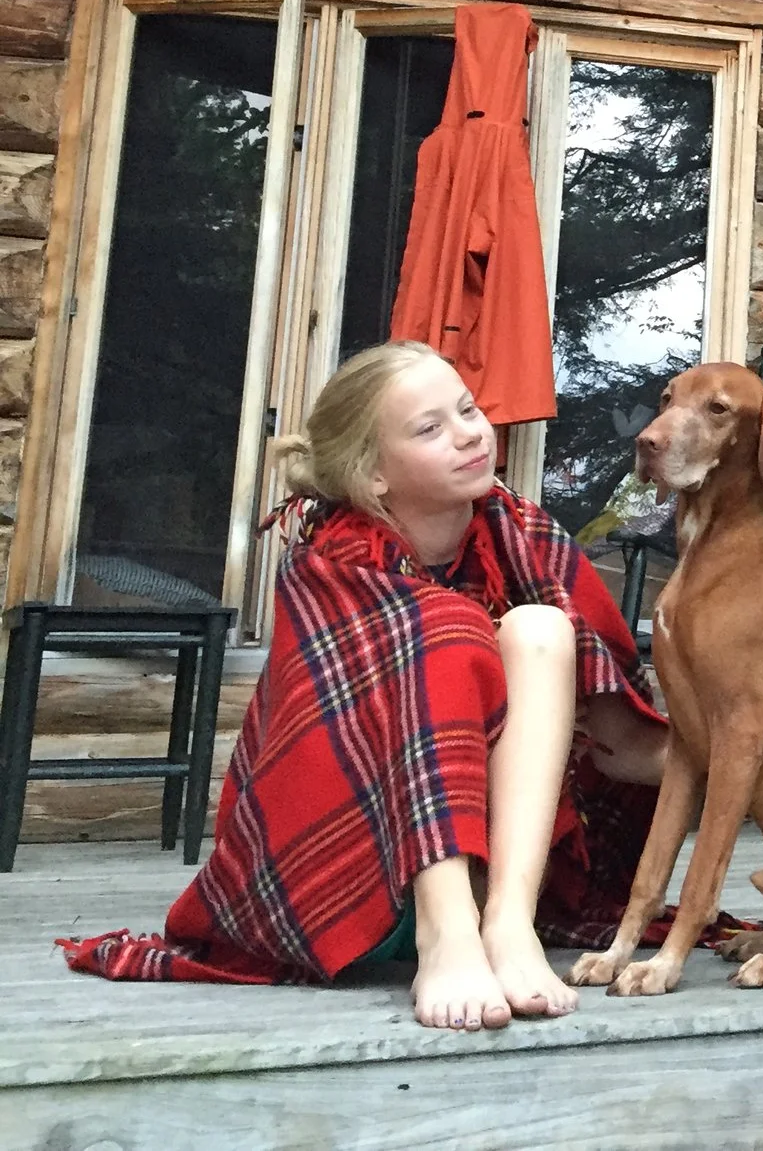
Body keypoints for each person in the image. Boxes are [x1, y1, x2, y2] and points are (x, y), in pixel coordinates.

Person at [62, 342, 673, 1031]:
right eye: (429, 428)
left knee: (538, 628)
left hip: (502, 867)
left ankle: (507, 924)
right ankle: (445, 935)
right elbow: (313, 764)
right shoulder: (330, 563)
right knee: (444, 629)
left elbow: (620, 738)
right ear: (376, 477)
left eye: (467, 409)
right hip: (350, 877)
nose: (469, 432)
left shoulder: (521, 532)